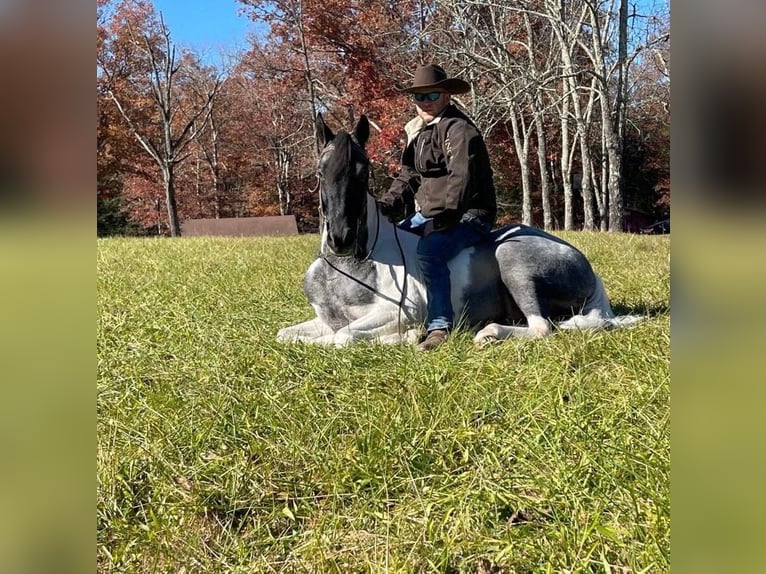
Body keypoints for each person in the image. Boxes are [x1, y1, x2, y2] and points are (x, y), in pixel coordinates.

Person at [378, 63, 497, 351]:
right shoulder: (420, 132)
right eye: (420, 97)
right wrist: (386, 204)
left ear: (447, 96)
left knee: (430, 252)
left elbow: (462, 176)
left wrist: (450, 216)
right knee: (388, 242)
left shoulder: (459, 130)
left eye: (433, 95)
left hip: (469, 215)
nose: (426, 102)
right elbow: (408, 174)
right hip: (428, 214)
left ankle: (440, 325)